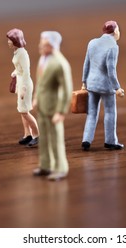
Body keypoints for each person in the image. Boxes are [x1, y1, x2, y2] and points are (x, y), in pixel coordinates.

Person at [33, 31, 73, 181]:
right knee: (43, 138)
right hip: (42, 106)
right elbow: (40, 82)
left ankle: (60, 168)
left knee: (56, 138)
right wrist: (36, 98)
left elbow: (67, 89)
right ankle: (45, 165)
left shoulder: (60, 64)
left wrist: (61, 112)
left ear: (52, 45)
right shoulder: (43, 60)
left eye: (43, 44)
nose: (40, 46)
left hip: (53, 107)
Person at [81, 21, 125, 151]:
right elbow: (111, 70)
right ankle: (110, 141)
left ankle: (86, 140)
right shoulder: (113, 46)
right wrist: (117, 88)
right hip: (106, 86)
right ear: (115, 31)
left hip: (91, 84)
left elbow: (86, 63)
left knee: (91, 113)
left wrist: (84, 81)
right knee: (110, 111)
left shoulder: (92, 42)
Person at [7, 28, 39, 147]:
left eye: (10, 40)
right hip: (20, 82)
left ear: (16, 40)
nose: (8, 42)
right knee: (22, 111)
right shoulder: (17, 52)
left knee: (25, 111)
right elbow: (20, 68)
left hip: (24, 84)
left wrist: (24, 89)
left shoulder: (22, 54)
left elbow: (26, 72)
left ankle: (36, 134)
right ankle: (27, 134)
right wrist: (15, 72)